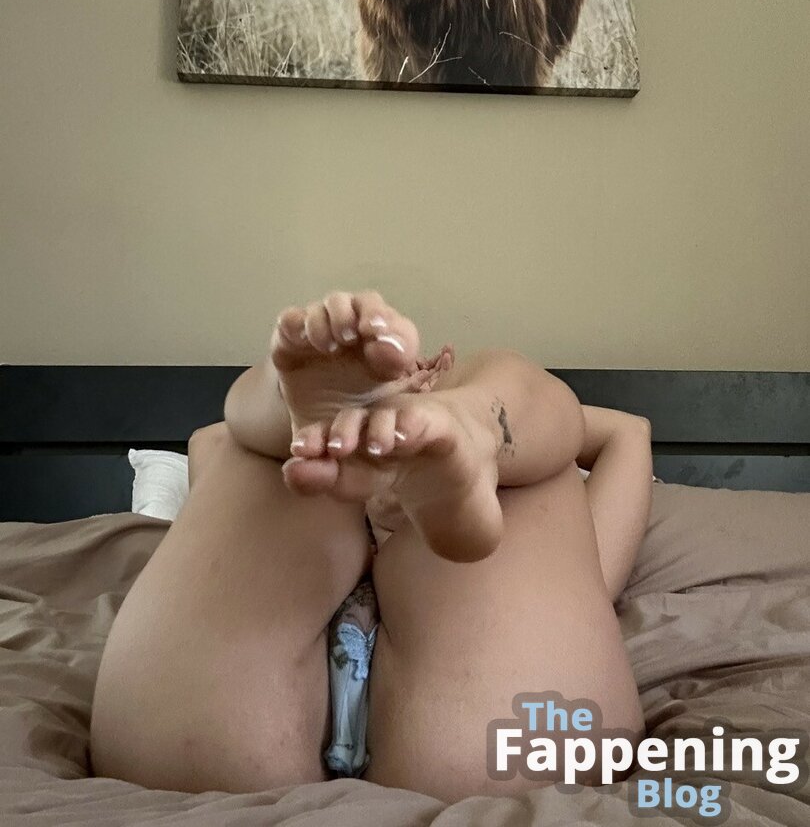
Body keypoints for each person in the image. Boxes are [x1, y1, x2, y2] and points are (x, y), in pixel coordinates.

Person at [90, 290, 653, 802]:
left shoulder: (533, 513)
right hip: (498, 729)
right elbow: (213, 446)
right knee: (257, 450)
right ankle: (326, 416)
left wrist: (453, 393)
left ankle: (470, 423)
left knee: (511, 394)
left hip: (198, 720)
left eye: (418, 374)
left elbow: (627, 433)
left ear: (438, 364)